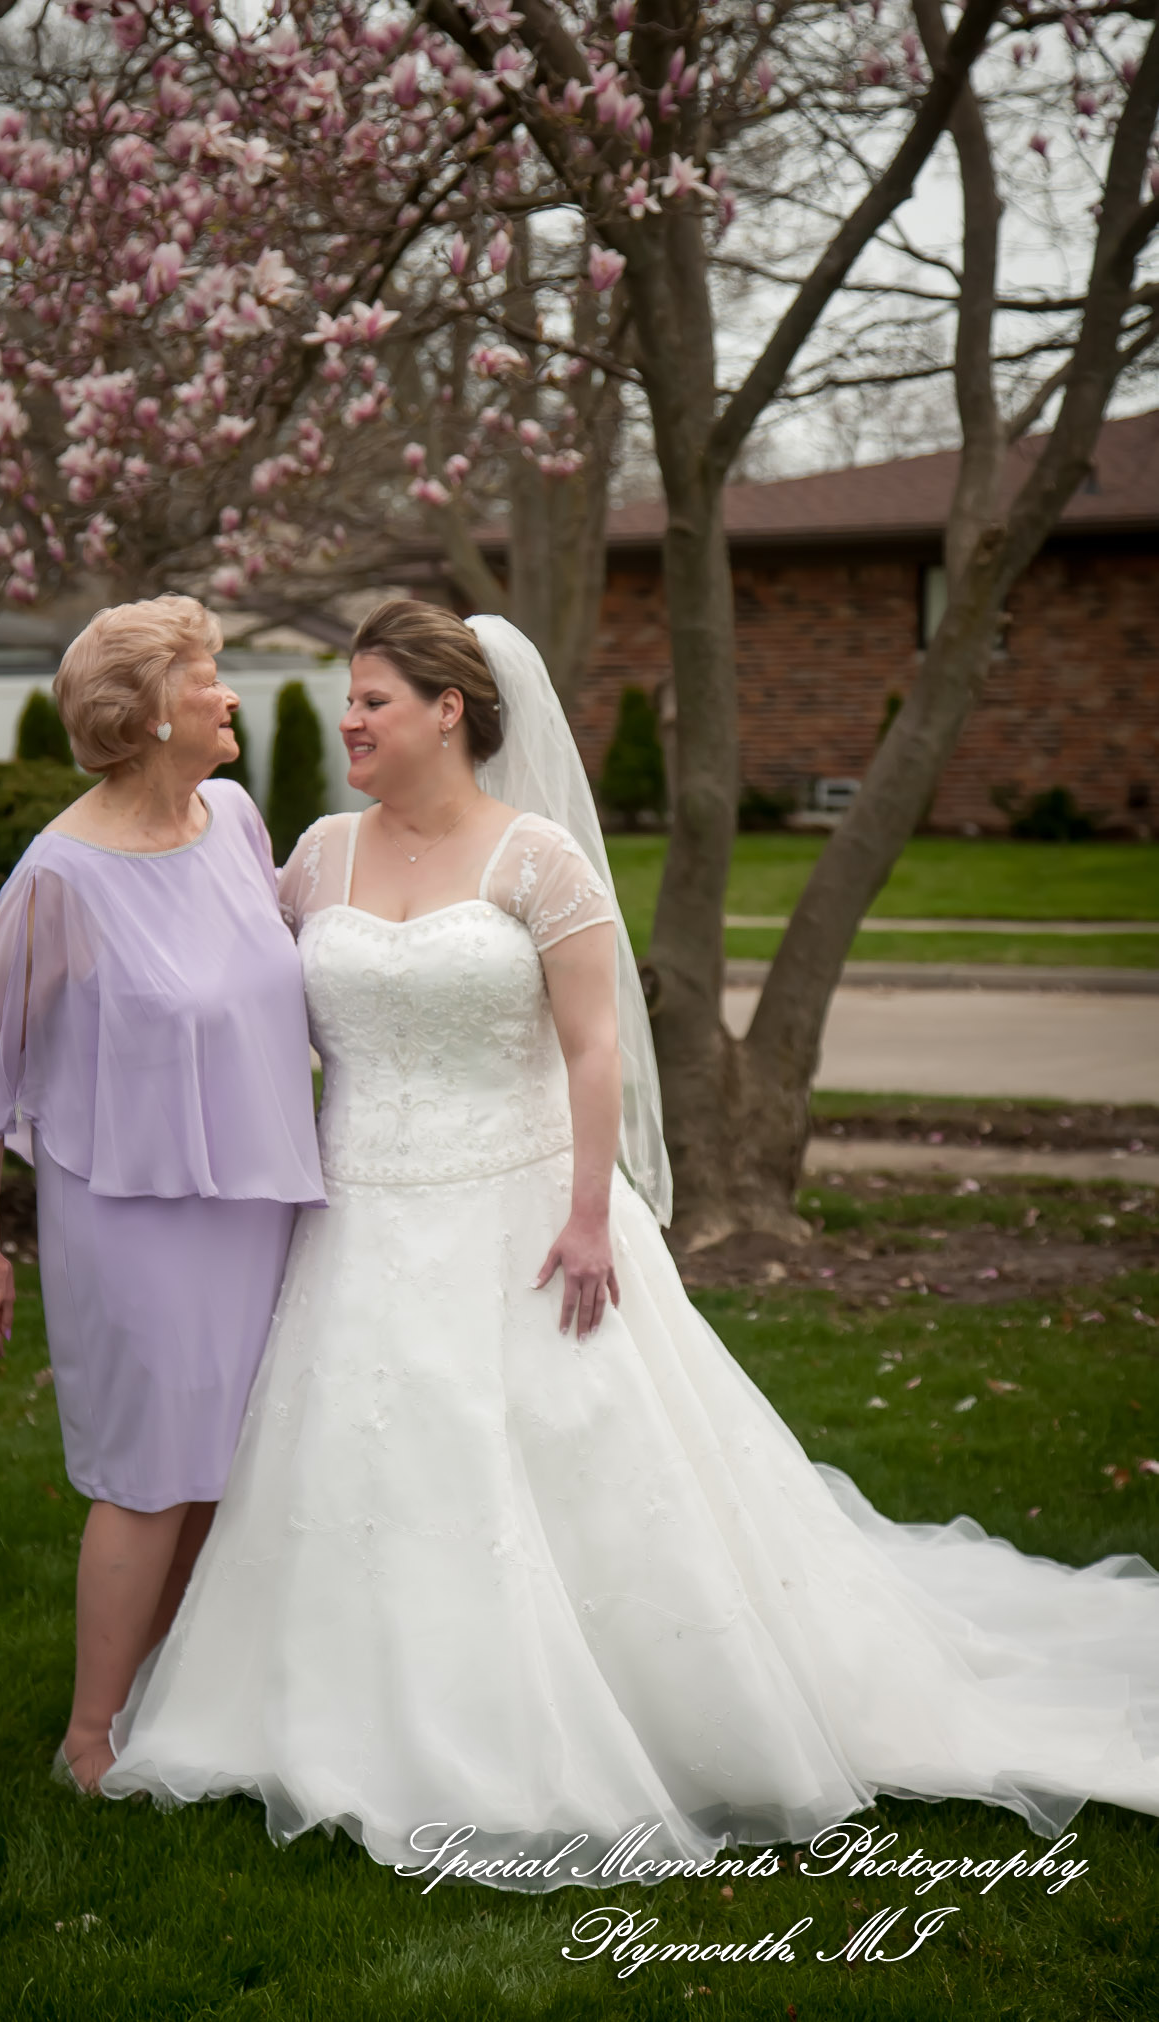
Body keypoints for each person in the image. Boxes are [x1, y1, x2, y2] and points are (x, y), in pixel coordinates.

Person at [100, 601, 1159, 1885]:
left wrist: (592, 1212)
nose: (350, 720)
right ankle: (323, 1704)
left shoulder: (538, 860)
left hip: (524, 1209)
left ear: (451, 710)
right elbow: (236, 997)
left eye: (374, 698)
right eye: (351, 698)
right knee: (354, 1459)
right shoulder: (317, 857)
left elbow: (598, 1045)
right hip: (358, 1212)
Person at [0, 595, 324, 1794]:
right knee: (148, 1469)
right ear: (141, 718)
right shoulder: (60, 876)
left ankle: (168, 1703)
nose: (229, 696)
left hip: (259, 1204)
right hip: (128, 1213)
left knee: (225, 1463)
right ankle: (91, 1736)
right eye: (208, 679)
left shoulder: (234, 817)